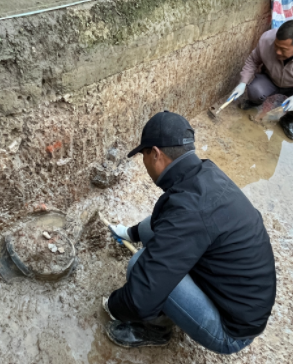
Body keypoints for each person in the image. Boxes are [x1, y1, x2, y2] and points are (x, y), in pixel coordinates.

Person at [102, 111, 277, 354]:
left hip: (233, 332)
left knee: (139, 265)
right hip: (243, 300)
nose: (144, 163)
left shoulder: (190, 210)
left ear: (156, 154)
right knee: (159, 243)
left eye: (143, 156)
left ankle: (158, 329)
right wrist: (129, 233)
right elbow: (162, 222)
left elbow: (141, 296)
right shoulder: (204, 175)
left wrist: (112, 306)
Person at [230, 20, 293, 141]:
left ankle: (288, 120)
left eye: (283, 49)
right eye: (276, 46)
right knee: (255, 91)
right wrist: (242, 83)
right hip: (270, 78)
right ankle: (255, 102)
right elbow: (253, 61)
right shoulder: (266, 39)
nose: (277, 52)